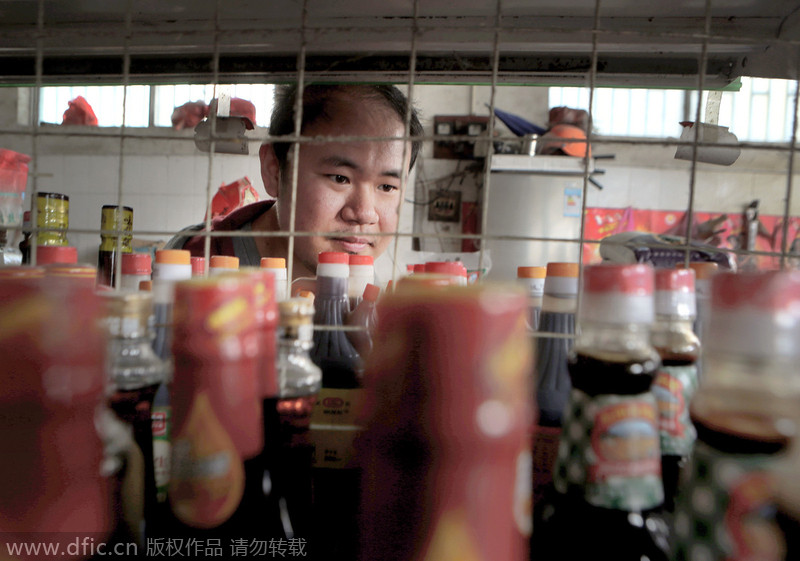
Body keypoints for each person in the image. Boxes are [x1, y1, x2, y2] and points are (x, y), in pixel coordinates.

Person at [167, 84, 423, 281]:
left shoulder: (369, 290)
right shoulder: (192, 264)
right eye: (340, 178)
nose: (364, 214)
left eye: (387, 186)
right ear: (275, 171)